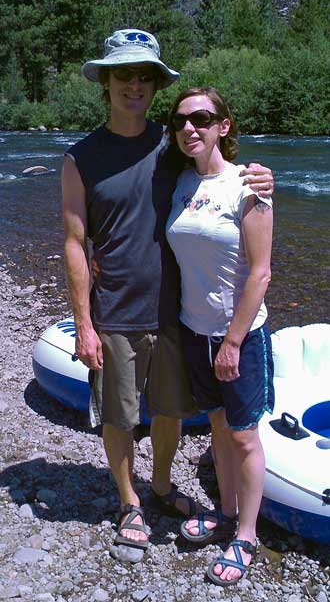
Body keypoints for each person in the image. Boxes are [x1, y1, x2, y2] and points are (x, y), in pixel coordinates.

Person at [62, 29, 275, 564]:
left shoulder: (176, 142)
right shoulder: (80, 158)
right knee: (118, 414)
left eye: (144, 76)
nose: (135, 85)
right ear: (105, 84)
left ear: (154, 85)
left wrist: (264, 177)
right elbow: (72, 242)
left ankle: (159, 484)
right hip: (114, 312)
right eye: (123, 75)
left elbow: (222, 178)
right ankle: (128, 500)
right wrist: (82, 324)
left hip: (177, 313)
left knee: (171, 411)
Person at [166, 87, 274, 586]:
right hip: (194, 330)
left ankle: (246, 535)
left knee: (245, 437)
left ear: (223, 127)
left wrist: (232, 342)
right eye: (182, 120)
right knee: (216, 425)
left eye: (202, 118)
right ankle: (226, 511)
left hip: (239, 336)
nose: (191, 127)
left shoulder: (250, 186)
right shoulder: (181, 183)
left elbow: (260, 274)